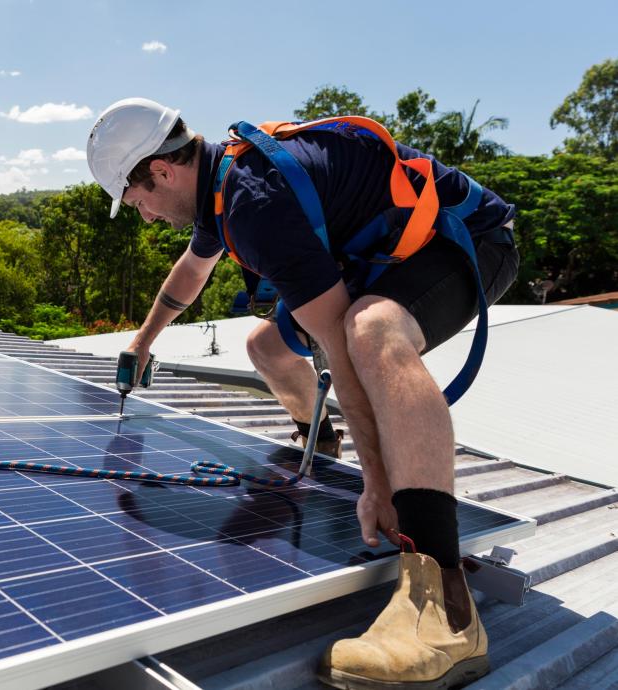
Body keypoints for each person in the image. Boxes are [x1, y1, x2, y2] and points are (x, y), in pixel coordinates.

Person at [87, 97, 519, 689]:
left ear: (161, 170)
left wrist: (380, 483)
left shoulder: (253, 203)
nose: (145, 216)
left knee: (370, 331)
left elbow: (338, 350)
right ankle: (318, 442)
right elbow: (190, 274)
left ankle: (443, 605)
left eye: (139, 202)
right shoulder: (220, 188)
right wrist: (141, 344)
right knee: (266, 347)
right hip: (383, 260)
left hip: (465, 243)